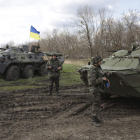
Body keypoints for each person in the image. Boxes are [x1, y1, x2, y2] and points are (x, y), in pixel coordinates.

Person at [87, 55, 110, 127]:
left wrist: (105, 80)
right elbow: (92, 82)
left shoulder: (98, 68)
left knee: (98, 103)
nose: (101, 62)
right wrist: (102, 79)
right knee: (96, 104)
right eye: (99, 61)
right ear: (96, 62)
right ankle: (93, 120)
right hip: (94, 89)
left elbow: (101, 76)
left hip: (98, 88)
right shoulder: (92, 70)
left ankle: (96, 118)